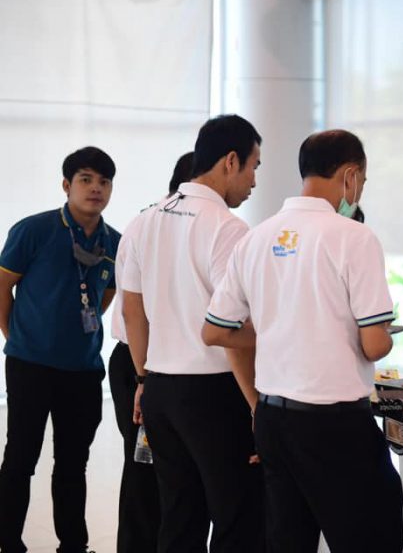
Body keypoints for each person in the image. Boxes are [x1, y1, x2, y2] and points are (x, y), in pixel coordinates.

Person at [202, 129, 403, 552]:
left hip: (273, 419)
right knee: (373, 533)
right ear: (350, 175)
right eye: (362, 182)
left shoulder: (255, 238)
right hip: (336, 425)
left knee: (287, 539)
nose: (359, 192)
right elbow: (374, 345)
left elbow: (215, 331)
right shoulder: (353, 237)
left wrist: (279, 325)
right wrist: (382, 333)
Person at [119, 116, 264, 552]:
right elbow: (229, 326)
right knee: (238, 516)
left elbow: (132, 311)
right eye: (254, 167)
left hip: (161, 390)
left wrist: (143, 379)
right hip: (214, 394)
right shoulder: (226, 227)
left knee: (179, 517)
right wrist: (256, 404)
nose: (254, 181)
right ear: (231, 161)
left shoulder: (146, 219)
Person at [0, 147, 120, 553]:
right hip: (30, 365)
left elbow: (104, 296)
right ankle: (8, 543)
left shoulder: (115, 242)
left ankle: (73, 545)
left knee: (73, 463)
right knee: (20, 459)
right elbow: (2, 288)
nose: (95, 188)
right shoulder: (33, 230)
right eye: (86, 179)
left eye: (104, 182)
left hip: (83, 370)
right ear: (67, 185)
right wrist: (17, 336)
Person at [107, 151, 194, 553]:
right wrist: (144, 377)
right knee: (145, 471)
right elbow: (132, 309)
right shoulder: (152, 225)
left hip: (158, 363)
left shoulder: (161, 223)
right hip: (143, 362)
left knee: (171, 473)